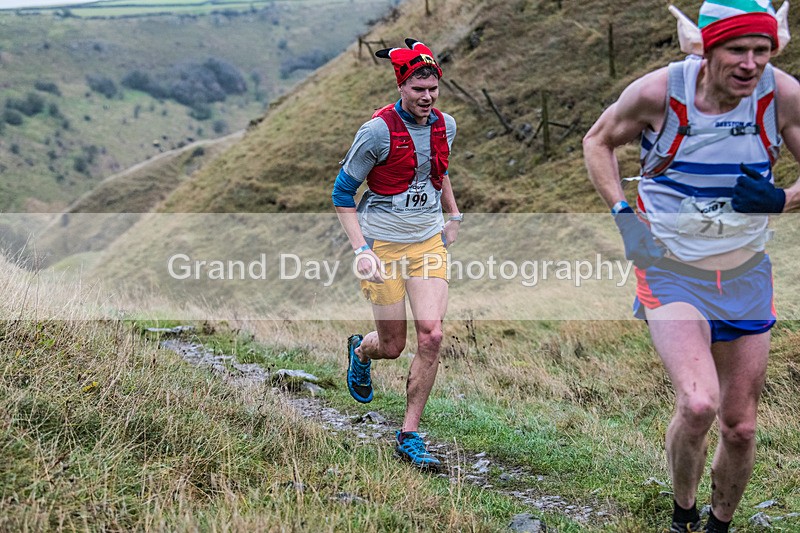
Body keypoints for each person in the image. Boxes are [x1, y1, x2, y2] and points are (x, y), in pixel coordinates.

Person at [583, 1, 800, 531]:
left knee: (741, 426)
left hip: (746, 274)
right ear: (708, 49)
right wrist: (625, 219)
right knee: (699, 404)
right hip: (671, 270)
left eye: (761, 50)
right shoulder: (661, 92)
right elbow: (597, 141)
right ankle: (682, 517)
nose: (751, 64)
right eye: (737, 50)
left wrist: (781, 200)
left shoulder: (781, 96)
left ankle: (719, 524)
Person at [331, 38, 461, 468]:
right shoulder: (376, 132)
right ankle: (360, 352)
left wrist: (453, 215)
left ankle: (409, 434)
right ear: (401, 87)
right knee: (392, 345)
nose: (427, 98)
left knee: (432, 335)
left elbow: (435, 170)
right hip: (381, 245)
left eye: (433, 89)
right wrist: (361, 248)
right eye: (418, 89)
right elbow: (342, 192)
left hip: (426, 242)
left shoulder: (446, 125)